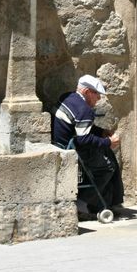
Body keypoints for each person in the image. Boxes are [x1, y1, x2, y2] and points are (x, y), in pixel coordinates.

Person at [52, 74, 124, 218]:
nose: (98, 99)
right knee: (108, 167)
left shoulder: (68, 97)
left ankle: (107, 203)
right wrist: (109, 142)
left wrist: (101, 132)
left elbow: (80, 128)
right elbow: (84, 139)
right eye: (96, 94)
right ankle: (83, 203)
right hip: (71, 148)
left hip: (60, 142)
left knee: (107, 155)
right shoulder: (84, 110)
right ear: (86, 92)